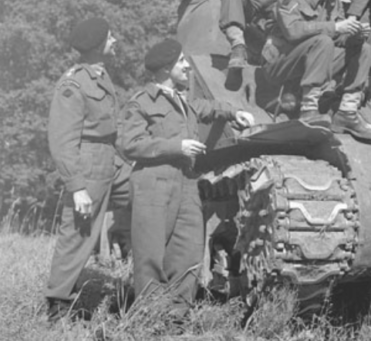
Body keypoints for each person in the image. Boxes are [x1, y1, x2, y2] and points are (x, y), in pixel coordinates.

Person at [119, 38, 254, 314]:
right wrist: (176, 146)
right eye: (181, 61)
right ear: (166, 68)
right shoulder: (142, 102)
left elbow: (209, 108)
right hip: (153, 181)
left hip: (187, 182)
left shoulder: (185, 102)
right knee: (151, 253)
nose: (187, 66)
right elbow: (129, 144)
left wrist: (234, 112)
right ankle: (150, 318)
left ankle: (177, 316)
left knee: (188, 249)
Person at [45, 17, 131, 322]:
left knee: (149, 193)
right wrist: (76, 186)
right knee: (78, 235)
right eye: (110, 37)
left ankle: (134, 274)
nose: (115, 40)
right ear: (97, 44)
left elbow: (112, 128)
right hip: (89, 164)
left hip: (112, 160)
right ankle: (58, 306)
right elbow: (62, 140)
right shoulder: (73, 83)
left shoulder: (101, 75)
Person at [263, 0, 371, 141]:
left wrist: (354, 35)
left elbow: (338, 39)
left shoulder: (333, 2)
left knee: (364, 49)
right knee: (322, 40)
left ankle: (347, 112)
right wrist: (335, 26)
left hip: (314, 63)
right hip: (280, 67)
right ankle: (308, 109)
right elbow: (293, 31)